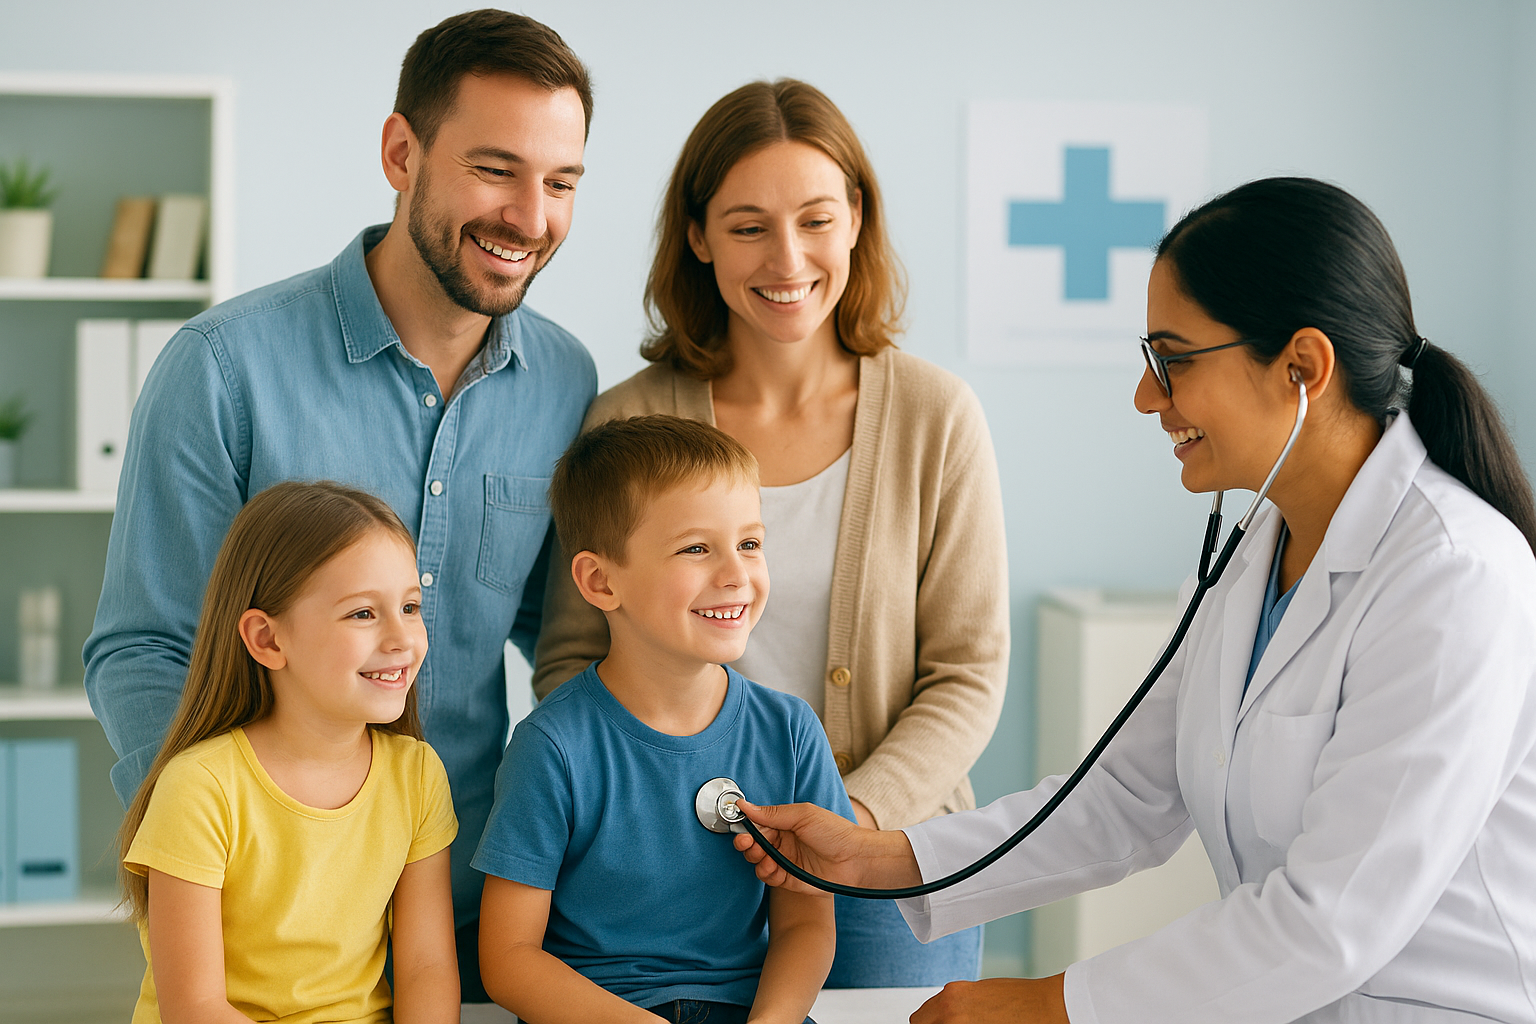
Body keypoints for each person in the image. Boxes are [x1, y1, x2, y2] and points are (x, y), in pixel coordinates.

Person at [732, 177, 1536, 1024]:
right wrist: (874, 857)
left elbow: (1331, 923)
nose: (1148, 396)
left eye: (1173, 360)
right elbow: (1124, 796)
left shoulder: (1455, 578)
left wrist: (1050, 1006)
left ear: (1302, 367)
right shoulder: (1254, 556)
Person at [83, 10, 597, 998]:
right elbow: (144, 648)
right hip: (274, 926)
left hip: (486, 904)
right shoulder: (223, 369)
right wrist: (243, 851)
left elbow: (566, 639)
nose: (530, 217)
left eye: (562, 182)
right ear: (401, 153)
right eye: (496, 170)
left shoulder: (567, 382)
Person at [532, 78, 1008, 987]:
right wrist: (658, 810)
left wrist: (850, 821)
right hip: (667, 862)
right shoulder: (626, 424)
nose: (787, 258)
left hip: (885, 857)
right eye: (748, 226)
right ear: (698, 236)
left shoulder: (936, 416)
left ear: (857, 218)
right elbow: (571, 658)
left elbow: (968, 674)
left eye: (816, 220)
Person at [475, 415, 852, 1024]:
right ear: (600, 582)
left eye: (750, 544)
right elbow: (509, 958)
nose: (736, 575)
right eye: (696, 549)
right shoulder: (552, 746)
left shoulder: (791, 732)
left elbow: (806, 923)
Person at [118, 481, 458, 1024]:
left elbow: (427, 968)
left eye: (410, 606)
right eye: (363, 614)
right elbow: (195, 1007)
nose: (402, 638)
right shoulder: (200, 788)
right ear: (268, 640)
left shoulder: (418, 777)